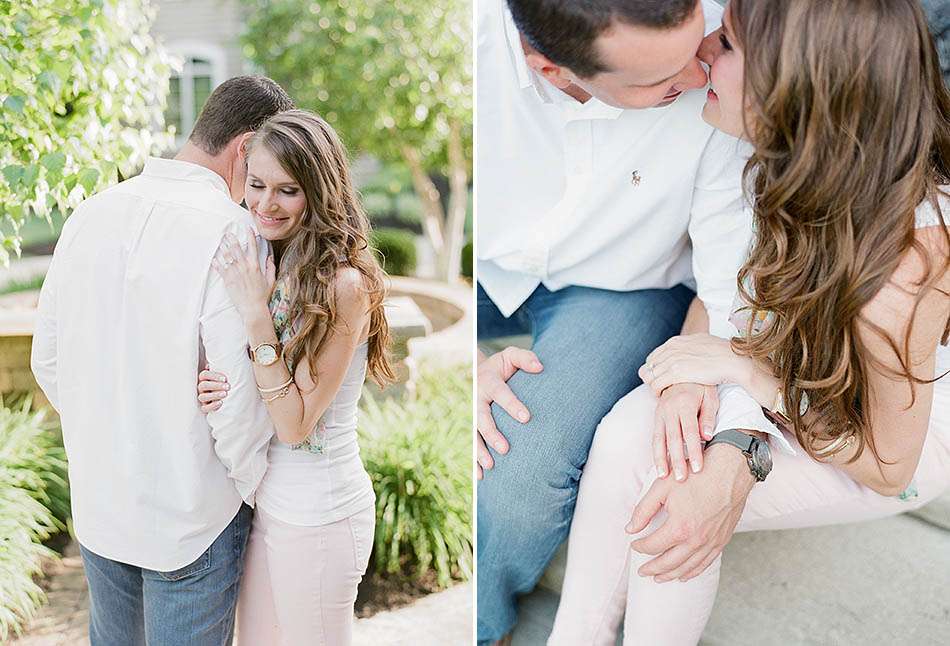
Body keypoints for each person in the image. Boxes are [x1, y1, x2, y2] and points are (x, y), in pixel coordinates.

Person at [552, 1, 950, 643]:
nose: (704, 47)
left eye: (729, 43)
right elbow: (719, 292)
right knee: (633, 432)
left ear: (798, 85)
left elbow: (888, 463)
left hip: (886, 437)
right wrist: (689, 379)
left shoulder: (908, 259)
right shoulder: (752, 153)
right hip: (784, 374)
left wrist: (743, 376)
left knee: (670, 491)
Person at [475, 0, 760, 642]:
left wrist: (702, 375)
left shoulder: (720, 54)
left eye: (701, 42)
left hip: (623, 285)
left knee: (513, 486)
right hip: (482, 270)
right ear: (551, 70)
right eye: (660, 80)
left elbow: (728, 274)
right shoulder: (470, 45)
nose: (699, 72)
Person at [30, 76, 294, 645]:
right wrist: (246, 488)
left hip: (103, 508)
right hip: (192, 514)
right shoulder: (233, 231)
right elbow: (236, 393)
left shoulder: (89, 215)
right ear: (245, 148)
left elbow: (47, 357)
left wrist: (103, 441)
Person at [195, 109, 394, 645]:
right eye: (256, 185)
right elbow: (262, 379)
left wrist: (256, 317)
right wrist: (220, 384)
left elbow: (294, 423)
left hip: (322, 515)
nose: (264, 204)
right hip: (268, 504)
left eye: (287, 191)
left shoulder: (344, 286)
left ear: (320, 192)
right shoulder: (272, 260)